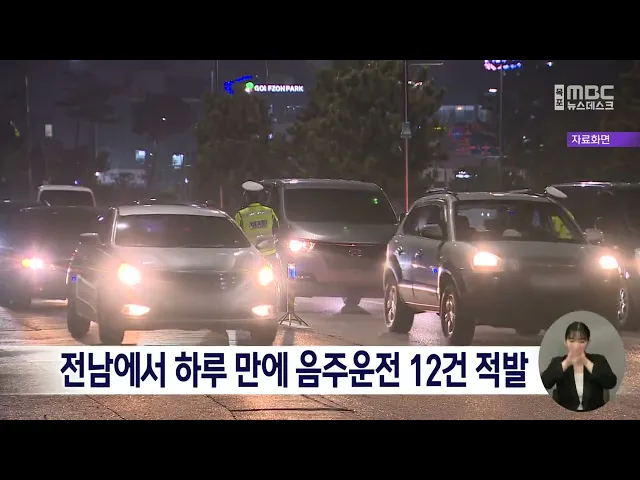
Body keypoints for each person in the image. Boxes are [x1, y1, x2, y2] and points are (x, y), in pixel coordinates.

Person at [541, 321, 618, 412]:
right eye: (571, 341)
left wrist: (586, 362)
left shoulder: (599, 360)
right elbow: (545, 383)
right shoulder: (557, 362)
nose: (576, 346)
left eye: (582, 341)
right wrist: (566, 363)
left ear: (587, 343)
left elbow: (611, 383)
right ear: (565, 342)